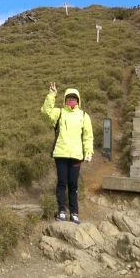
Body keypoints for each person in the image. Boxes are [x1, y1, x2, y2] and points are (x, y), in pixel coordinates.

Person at [42, 82, 93, 224]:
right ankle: (61, 211)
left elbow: (88, 136)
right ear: (65, 100)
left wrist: (88, 152)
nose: (71, 100)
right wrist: (52, 94)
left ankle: (74, 213)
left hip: (76, 155)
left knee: (73, 184)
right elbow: (46, 111)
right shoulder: (59, 113)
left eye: (74, 98)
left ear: (78, 100)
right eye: (69, 98)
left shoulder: (83, 116)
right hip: (61, 154)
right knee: (62, 183)